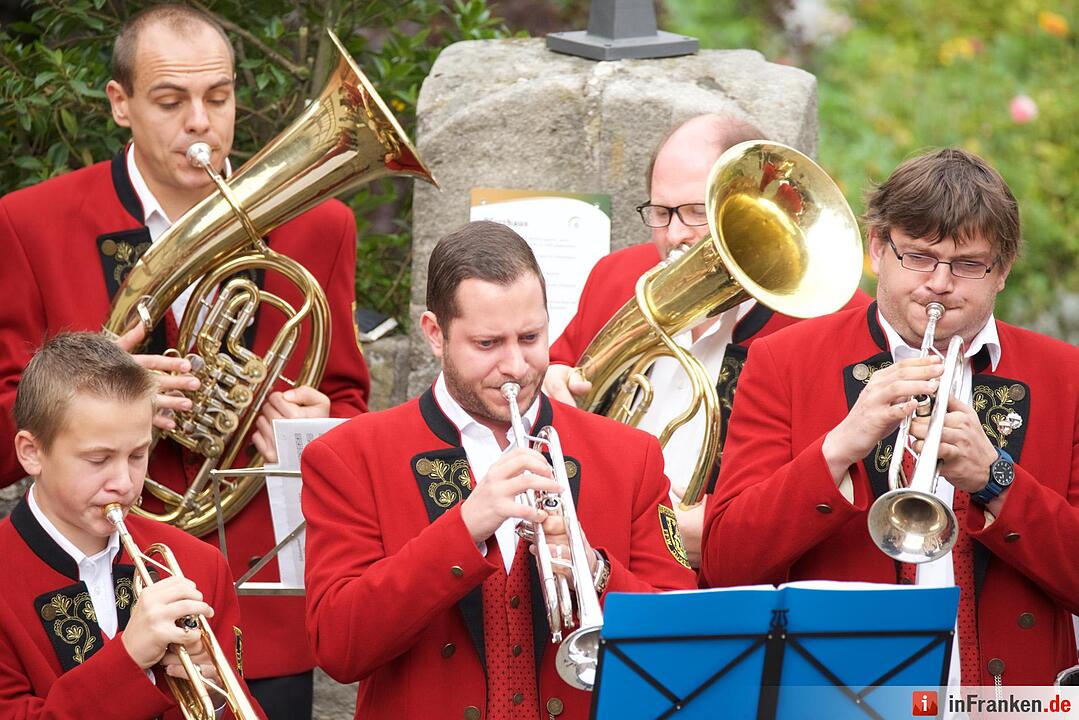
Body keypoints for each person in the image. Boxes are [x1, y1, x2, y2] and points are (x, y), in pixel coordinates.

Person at [0, 6, 370, 716]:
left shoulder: (320, 225)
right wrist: (95, 383)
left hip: (259, 611)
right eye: (170, 101)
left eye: (219, 97)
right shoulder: (32, 223)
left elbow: (350, 404)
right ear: (121, 104)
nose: (199, 122)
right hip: (86, 607)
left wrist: (315, 430)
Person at [699, 148, 1079, 691]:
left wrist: (998, 480)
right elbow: (726, 563)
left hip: (1011, 698)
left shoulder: (1065, 375)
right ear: (878, 248)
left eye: (969, 264)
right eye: (918, 257)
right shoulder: (785, 361)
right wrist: (837, 448)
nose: (939, 284)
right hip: (844, 695)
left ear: (1004, 269)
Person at [302, 220, 696, 719]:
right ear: (435, 334)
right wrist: (463, 528)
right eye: (488, 344)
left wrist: (594, 570)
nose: (515, 365)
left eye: (531, 337)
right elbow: (339, 647)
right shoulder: (350, 456)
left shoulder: (629, 455)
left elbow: (681, 638)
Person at [544, 113, 869, 566]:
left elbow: (828, 482)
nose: (675, 235)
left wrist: (713, 524)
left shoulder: (836, 320)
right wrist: (550, 380)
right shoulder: (616, 277)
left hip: (732, 584)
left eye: (697, 212)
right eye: (660, 213)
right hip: (597, 562)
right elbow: (555, 372)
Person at [0, 331, 265, 719]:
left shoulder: (200, 565)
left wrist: (216, 691)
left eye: (138, 454)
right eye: (98, 459)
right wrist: (128, 658)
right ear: (31, 452)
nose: (123, 483)